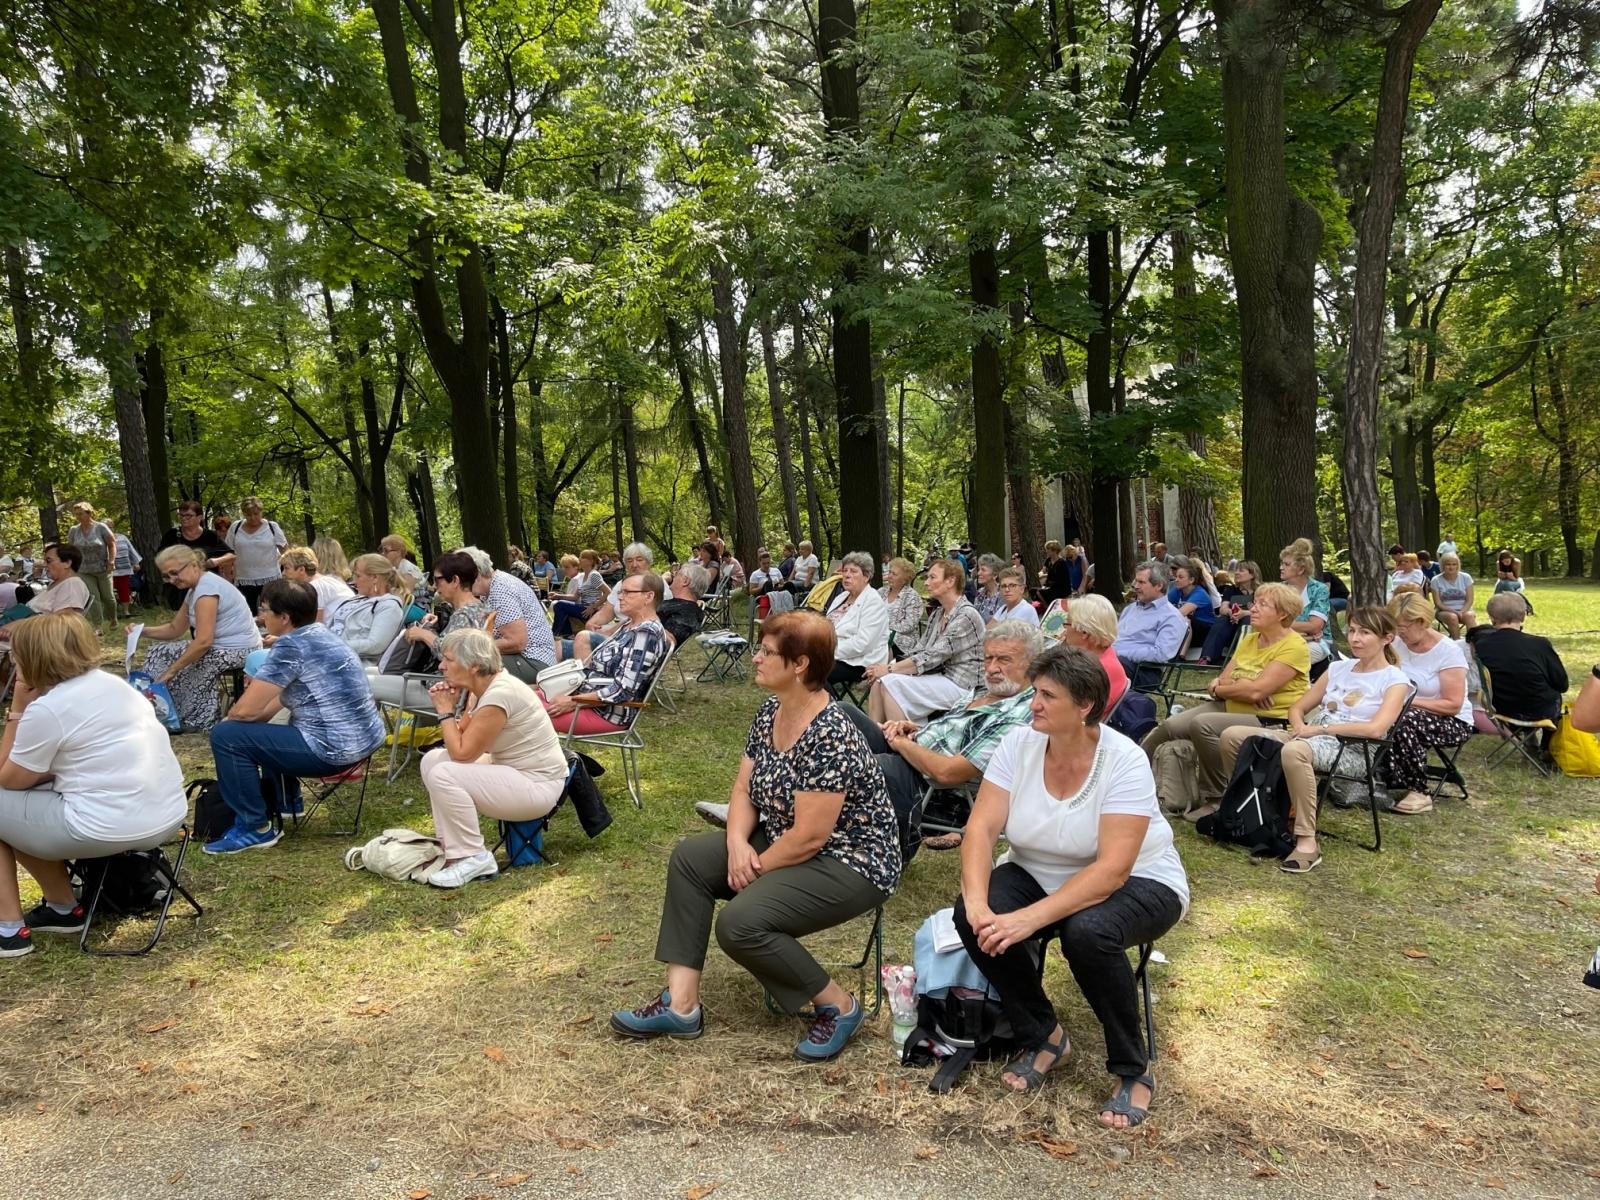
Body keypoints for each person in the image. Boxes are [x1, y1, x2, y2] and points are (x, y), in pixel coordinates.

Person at [610, 611, 901, 1059]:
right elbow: (744, 788)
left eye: (767, 652)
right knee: (690, 859)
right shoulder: (771, 711)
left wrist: (754, 866)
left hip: (851, 860)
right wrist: (736, 844)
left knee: (740, 923)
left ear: (800, 664)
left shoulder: (830, 731)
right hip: (789, 839)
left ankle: (839, 1006)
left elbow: (811, 837)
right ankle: (682, 1006)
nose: (755, 658)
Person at [953, 644, 1187, 1125]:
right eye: (1035, 692)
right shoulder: (1018, 744)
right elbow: (980, 829)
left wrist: (1028, 919)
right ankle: (1044, 1035)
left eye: (1048, 696)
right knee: (971, 916)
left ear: (1084, 707)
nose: (1034, 704)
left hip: (1139, 877)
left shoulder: (1124, 759)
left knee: (1088, 932)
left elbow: (1112, 870)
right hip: (1037, 868)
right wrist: (977, 902)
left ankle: (1132, 1068)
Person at [0, 612, 187, 957]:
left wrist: (18, 709)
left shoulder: (49, 708)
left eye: (16, 654)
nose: (13, 662)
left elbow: (8, 778)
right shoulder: (115, 686)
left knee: (5, 804)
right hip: (166, 815)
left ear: (36, 657)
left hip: (105, 826)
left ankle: (8, 929)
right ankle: (60, 907)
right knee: (19, 809)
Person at [1219, 605, 1411, 874]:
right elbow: (1298, 707)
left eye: (1365, 633)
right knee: (1233, 736)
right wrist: (1299, 725)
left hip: (1353, 749)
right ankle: (1250, 811)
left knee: (1294, 751)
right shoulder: (1338, 668)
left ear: (1387, 638)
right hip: (1311, 736)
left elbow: (1375, 729)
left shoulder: (1395, 679)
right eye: (1352, 631)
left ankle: (1307, 841)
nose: (1355, 638)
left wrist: (1319, 730)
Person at [204, 578, 386, 853]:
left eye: (265, 610)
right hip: (364, 741)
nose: (261, 617)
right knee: (265, 728)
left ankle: (255, 828)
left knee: (225, 736)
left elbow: (244, 710)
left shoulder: (291, 647)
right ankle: (287, 802)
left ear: (285, 618)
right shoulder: (322, 635)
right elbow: (278, 701)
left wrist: (235, 721)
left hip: (333, 750)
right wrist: (251, 721)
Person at [827, 621, 1043, 846]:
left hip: (928, 785)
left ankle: (820, 828)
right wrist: (915, 730)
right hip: (912, 754)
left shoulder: (1018, 716)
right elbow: (952, 735)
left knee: (851, 762)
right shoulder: (982, 692)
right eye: (988, 658)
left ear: (1033, 665)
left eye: (1004, 660)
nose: (991, 668)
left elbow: (948, 773)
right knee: (841, 713)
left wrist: (902, 743)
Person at [417, 628, 571, 888]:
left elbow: (462, 753)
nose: (441, 666)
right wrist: (454, 708)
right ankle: (453, 852)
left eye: (449, 660)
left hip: (538, 786)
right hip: (513, 772)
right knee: (432, 761)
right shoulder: (484, 688)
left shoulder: (499, 694)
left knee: (444, 773)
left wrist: (444, 711)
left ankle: (473, 857)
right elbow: (460, 737)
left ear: (474, 666)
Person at [1141, 582, 1310, 816]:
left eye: (1263, 604)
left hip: (1269, 717)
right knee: (1171, 725)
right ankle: (1135, 773)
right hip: (1230, 705)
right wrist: (1240, 686)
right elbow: (1220, 682)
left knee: (1203, 724)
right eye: (1255, 602)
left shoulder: (1294, 646)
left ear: (1282, 614)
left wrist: (1240, 688)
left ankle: (1218, 797)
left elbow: (1255, 692)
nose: (1253, 608)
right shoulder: (1251, 639)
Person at [131, 546, 262, 732]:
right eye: (167, 576)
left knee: (194, 661)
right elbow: (175, 628)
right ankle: (156, 705)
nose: (172, 580)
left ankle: (194, 717)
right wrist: (141, 631)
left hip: (238, 650)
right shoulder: (195, 590)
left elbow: (203, 642)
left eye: (175, 573)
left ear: (193, 565)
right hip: (219, 647)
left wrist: (172, 670)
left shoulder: (207, 590)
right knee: (159, 650)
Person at [542, 572, 667, 734]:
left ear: (649, 596)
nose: (620, 597)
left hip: (604, 713)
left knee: (521, 713)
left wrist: (573, 701)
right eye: (620, 592)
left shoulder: (646, 633)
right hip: (585, 700)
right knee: (520, 697)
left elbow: (623, 690)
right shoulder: (630, 624)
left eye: (627, 592)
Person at [862, 559, 984, 724]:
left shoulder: (966, 615)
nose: (926, 583)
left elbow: (933, 656)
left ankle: (901, 737)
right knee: (879, 681)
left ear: (950, 581)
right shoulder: (938, 613)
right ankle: (875, 736)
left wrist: (889, 669)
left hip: (964, 685)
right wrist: (885, 667)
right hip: (940, 675)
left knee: (891, 683)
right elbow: (920, 649)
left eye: (932, 577)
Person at [1384, 591, 1474, 814]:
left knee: (1404, 720)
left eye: (1403, 627)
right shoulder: (1395, 642)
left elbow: (1452, 704)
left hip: (1451, 720)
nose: (1398, 633)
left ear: (1422, 622)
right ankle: (1372, 774)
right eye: (1395, 627)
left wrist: (1408, 702)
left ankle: (1419, 790)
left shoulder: (1448, 652)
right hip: (1404, 710)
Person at [367, 550, 490, 708]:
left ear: (455, 580)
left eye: (437, 580)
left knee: (363, 683)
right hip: (448, 686)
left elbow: (453, 657)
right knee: (365, 673)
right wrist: (436, 627)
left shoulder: (464, 616)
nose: (434, 586)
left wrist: (424, 634)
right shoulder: (479, 608)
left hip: (442, 691)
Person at [461, 546, 556, 684]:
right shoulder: (493, 586)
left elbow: (516, 642)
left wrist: (475, 647)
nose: (462, 585)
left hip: (534, 662)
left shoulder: (501, 590)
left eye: (463, 579)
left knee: (466, 664)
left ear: (476, 574)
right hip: (529, 658)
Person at [1471, 592, 1566, 730]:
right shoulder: (1539, 644)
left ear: (1492, 618)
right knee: (1554, 695)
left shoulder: (1481, 646)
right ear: (1523, 616)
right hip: (1540, 712)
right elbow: (1562, 684)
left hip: (1500, 709)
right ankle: (1547, 741)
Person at [820, 552, 891, 688]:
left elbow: (862, 644)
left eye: (853, 571)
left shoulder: (873, 601)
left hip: (859, 662)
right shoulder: (841, 597)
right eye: (845, 570)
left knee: (812, 671)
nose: (847, 575)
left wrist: (827, 651)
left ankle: (827, 702)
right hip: (832, 652)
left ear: (866, 576)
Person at [328, 553, 410, 665]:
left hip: (353, 664)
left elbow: (375, 645)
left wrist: (333, 645)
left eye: (358, 576)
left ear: (375, 578)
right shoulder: (359, 598)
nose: (354, 582)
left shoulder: (389, 606)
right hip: (332, 657)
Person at [1110, 561, 1187, 676]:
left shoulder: (1171, 617)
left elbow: (1161, 654)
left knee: (1106, 666)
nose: (1136, 586)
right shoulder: (1130, 609)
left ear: (1159, 586)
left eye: (1141, 582)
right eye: (1136, 581)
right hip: (1115, 662)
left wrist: (1119, 654)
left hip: (1143, 670)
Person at [157, 500, 234, 608]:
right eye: (181, 515)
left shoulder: (210, 536)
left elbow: (231, 555)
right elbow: (161, 558)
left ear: (199, 517)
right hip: (180, 588)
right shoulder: (172, 535)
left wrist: (216, 561)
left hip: (205, 587)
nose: (184, 518)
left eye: (188, 516)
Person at [1058, 593, 1129, 710]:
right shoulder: (1098, 656)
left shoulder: (1099, 671)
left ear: (1084, 632)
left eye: (1067, 623)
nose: (1064, 628)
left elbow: (1069, 712)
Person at [225, 497, 289, 614]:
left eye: (256, 514)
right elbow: (228, 553)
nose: (253, 517)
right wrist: (228, 576)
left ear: (261, 512)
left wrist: (287, 572)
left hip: (270, 578)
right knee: (246, 613)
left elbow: (285, 551)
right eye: (248, 515)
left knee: (273, 611)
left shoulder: (272, 527)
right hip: (243, 579)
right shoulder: (235, 527)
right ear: (244, 514)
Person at [1278, 537, 1331, 665]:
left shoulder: (1319, 589)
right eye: (1282, 563)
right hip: (1283, 640)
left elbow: (1315, 627)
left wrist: (1278, 625)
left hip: (1317, 642)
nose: (1281, 567)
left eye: (1286, 564)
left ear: (1301, 569)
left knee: (1287, 657)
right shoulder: (1278, 590)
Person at [65, 502, 117, 632]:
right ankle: (98, 626)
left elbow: (112, 544)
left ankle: (113, 618)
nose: (78, 516)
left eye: (81, 514)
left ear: (89, 513)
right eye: (76, 514)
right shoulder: (74, 530)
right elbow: (71, 549)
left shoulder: (101, 527)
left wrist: (111, 561)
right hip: (84, 570)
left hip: (103, 568)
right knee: (93, 598)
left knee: (108, 597)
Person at [1199, 559, 1258, 663]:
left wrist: (1244, 613)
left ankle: (1242, 659)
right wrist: (1230, 612)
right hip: (1231, 628)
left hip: (1253, 630)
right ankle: (1206, 657)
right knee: (1222, 620)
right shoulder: (1231, 590)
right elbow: (1223, 609)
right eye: (1236, 570)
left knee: (1247, 619)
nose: (1236, 573)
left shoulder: (1261, 591)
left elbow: (1267, 612)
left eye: (1241, 570)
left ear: (1252, 574)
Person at [277, 545, 354, 624]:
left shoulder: (315, 587)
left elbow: (317, 624)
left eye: (286, 568)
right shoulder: (328, 580)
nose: (283, 573)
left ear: (301, 569)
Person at [1166, 556, 1221, 649]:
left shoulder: (1200, 594)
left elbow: (1179, 614)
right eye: (1176, 577)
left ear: (1191, 580)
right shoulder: (1177, 590)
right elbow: (1162, 605)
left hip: (1205, 632)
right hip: (1189, 629)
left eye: (1180, 577)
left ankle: (1179, 653)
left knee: (1184, 619)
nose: (1176, 580)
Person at [551, 549, 608, 637]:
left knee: (560, 605)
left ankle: (556, 634)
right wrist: (558, 596)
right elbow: (575, 597)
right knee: (560, 605)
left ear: (590, 561)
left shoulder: (593, 575)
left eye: (582, 557)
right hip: (583, 608)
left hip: (590, 610)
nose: (579, 559)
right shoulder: (583, 576)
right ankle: (566, 635)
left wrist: (593, 607)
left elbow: (608, 592)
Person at [881, 556, 923, 654]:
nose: (889, 576)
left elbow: (909, 625)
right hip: (880, 635)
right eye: (890, 572)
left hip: (902, 641)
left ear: (904, 579)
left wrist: (882, 628)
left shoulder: (912, 597)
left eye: (894, 574)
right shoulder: (881, 592)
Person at [1429, 553, 1476, 639]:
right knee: (1452, 617)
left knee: (1469, 616)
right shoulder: (1436, 580)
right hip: (1444, 610)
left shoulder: (1466, 577)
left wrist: (1461, 611)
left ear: (1458, 565)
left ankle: (1473, 642)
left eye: (1454, 564)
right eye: (1448, 564)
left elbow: (1470, 600)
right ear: (1442, 565)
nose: (1451, 567)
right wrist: (1455, 612)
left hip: (1464, 609)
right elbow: (1438, 603)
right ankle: (1456, 643)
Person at [107, 518, 141, 617]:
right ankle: (111, 613)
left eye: (110, 527)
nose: (108, 529)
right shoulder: (99, 540)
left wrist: (135, 563)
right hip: (108, 570)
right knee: (108, 592)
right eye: (105, 527)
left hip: (123, 569)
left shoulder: (122, 537)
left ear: (113, 527)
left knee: (124, 590)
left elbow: (131, 550)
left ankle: (126, 612)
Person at [972, 554, 1006, 623]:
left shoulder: (1003, 594)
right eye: (979, 569)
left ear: (995, 575)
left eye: (983, 570)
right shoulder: (979, 592)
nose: (978, 573)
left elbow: (1000, 622)